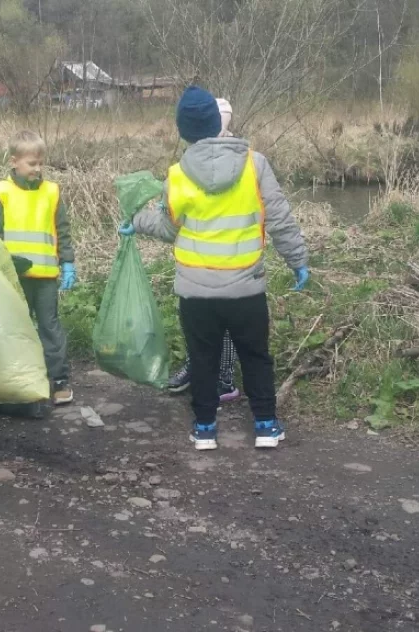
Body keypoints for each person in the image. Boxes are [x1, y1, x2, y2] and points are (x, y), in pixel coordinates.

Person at [120, 87, 310, 451]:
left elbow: (167, 227)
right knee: (256, 356)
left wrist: (136, 221)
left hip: (196, 291)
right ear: (218, 123)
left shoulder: (176, 175)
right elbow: (281, 220)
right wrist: (298, 260)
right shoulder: (256, 164)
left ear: (183, 131)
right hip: (246, 288)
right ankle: (267, 426)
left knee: (203, 359)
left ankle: (205, 428)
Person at [0, 130, 76, 406]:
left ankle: (59, 379)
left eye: (40, 163)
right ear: (14, 162)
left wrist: (68, 262)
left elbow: (62, 230)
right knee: (15, 329)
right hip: (14, 278)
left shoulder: (51, 193)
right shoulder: (1, 193)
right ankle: (19, 378)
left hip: (46, 277)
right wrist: (0, 266)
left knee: (50, 328)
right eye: (31, 163)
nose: (37, 169)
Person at [168, 96, 240, 401]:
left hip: (231, 260)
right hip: (196, 262)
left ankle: (223, 377)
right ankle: (196, 366)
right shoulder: (189, 161)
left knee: (224, 326)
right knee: (195, 321)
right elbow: (176, 214)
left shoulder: (239, 159)